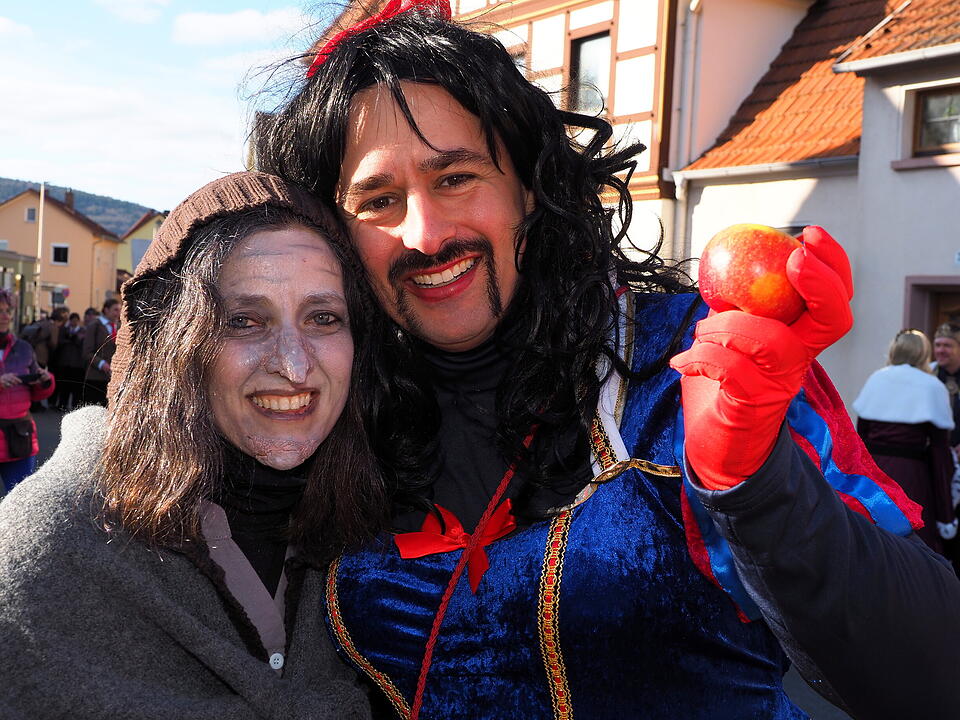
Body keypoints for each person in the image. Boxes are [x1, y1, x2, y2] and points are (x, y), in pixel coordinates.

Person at [255, 4, 960, 719]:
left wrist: (756, 487)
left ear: (527, 187)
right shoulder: (332, 411)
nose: (427, 233)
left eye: (456, 177)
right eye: (378, 199)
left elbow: (934, 677)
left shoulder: (695, 362)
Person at [0, 172, 381, 718]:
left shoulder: (381, 539)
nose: (295, 366)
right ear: (176, 345)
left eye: (324, 318)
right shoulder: (54, 547)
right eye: (245, 321)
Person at [854, 329, 957, 552]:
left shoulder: (877, 379)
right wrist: (946, 515)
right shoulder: (932, 387)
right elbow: (940, 455)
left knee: (872, 540)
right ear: (924, 354)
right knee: (911, 545)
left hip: (875, 473)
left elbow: (858, 439)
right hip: (912, 477)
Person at [0, 290, 54, 494]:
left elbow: (37, 395)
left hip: (19, 439)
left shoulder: (23, 348)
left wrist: (44, 382)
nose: (5, 316)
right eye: (0, 311)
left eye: (7, 311)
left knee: (21, 504)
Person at [81, 297, 120, 406]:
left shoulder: (119, 326)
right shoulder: (95, 325)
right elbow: (87, 352)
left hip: (113, 377)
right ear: (106, 310)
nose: (118, 313)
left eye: (119, 310)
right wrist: (101, 364)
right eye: (115, 310)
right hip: (96, 377)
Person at [932, 321, 960, 452]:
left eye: (947, 345)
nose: (940, 350)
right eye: (937, 345)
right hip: (933, 455)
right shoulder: (927, 374)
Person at [51, 311, 85, 411]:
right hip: (65, 363)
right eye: (72, 321)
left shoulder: (82, 331)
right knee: (64, 386)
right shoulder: (64, 330)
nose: (74, 323)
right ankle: (62, 404)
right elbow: (59, 342)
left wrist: (74, 339)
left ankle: (75, 406)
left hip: (77, 364)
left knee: (76, 387)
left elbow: (81, 344)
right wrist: (68, 338)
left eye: (75, 321)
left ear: (78, 321)